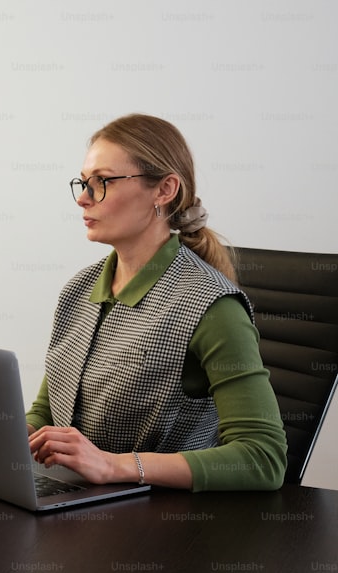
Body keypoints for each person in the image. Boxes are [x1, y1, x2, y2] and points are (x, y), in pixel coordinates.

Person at [26, 113, 287, 491]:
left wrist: (115, 466)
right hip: (80, 504)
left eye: (102, 182)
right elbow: (50, 409)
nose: (83, 198)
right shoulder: (79, 289)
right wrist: (10, 438)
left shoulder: (212, 306)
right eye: (83, 183)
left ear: (164, 190)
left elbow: (264, 458)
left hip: (165, 526)